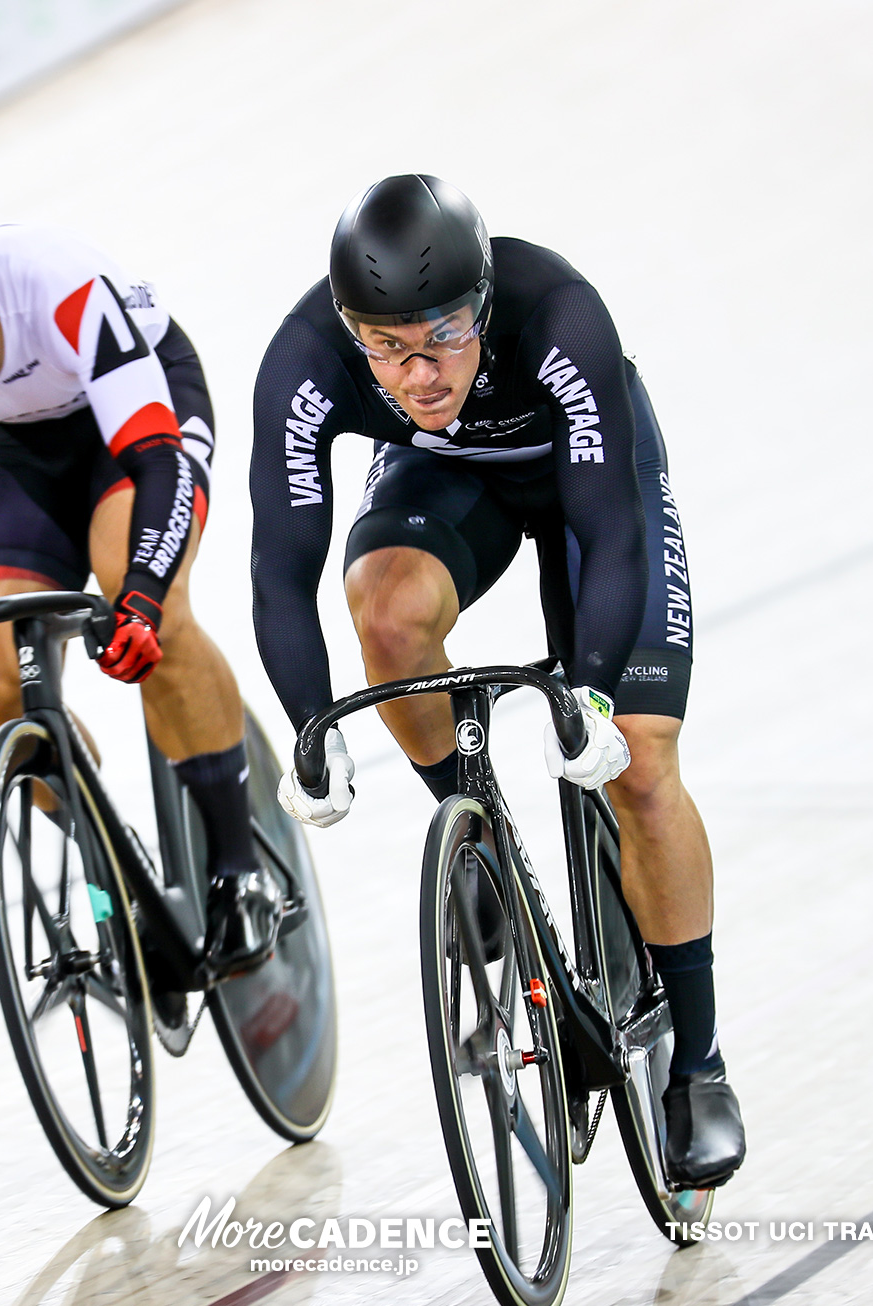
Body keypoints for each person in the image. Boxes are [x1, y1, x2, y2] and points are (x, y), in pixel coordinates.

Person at [248, 175, 744, 1188]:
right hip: (446, 477)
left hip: (584, 475)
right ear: (350, 329)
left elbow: (609, 530)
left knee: (640, 764)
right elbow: (279, 566)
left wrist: (595, 696)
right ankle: (483, 855)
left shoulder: (558, 313)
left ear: (482, 302)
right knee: (384, 613)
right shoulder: (305, 359)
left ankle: (697, 1065)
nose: (419, 371)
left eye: (443, 335)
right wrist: (309, 724)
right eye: (385, 347)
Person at [0, 202, 280, 978]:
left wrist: (138, 595)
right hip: (10, 451)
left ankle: (240, 869)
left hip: (139, 422)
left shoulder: (55, 282)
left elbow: (157, 464)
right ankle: (114, 864)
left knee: (153, 619)